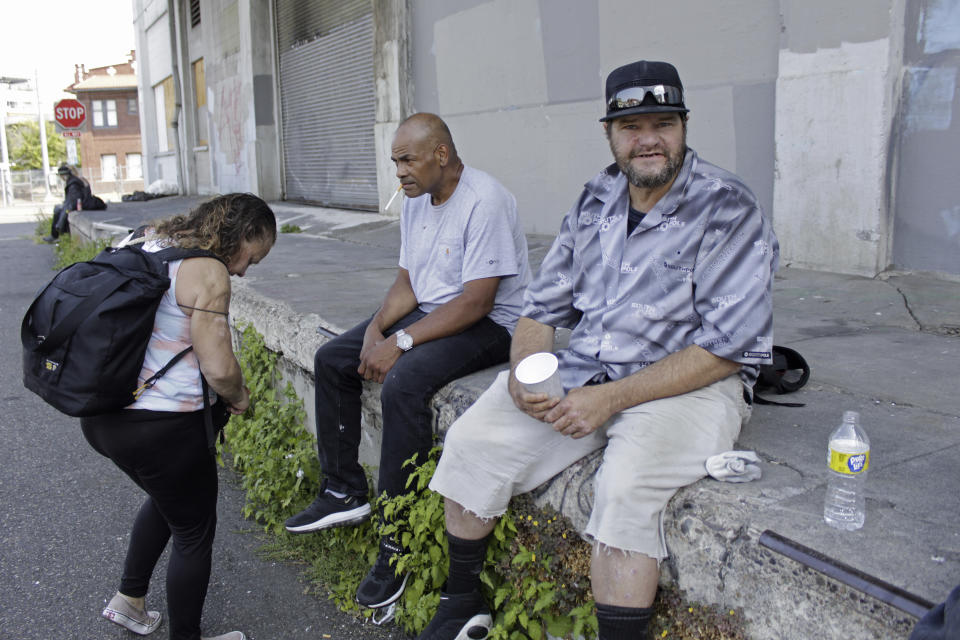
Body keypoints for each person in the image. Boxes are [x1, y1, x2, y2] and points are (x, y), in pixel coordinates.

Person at [418, 60, 780, 640]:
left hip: (692, 383)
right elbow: (540, 310)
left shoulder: (728, 206)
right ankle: (463, 601)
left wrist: (611, 400)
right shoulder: (597, 198)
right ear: (609, 134)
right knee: (473, 439)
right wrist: (522, 372)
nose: (648, 139)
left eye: (664, 123)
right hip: (591, 368)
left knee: (625, 489)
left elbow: (728, 349)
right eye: (631, 126)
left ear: (685, 127)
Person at [284, 112, 532, 612]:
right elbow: (408, 283)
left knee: (404, 385)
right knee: (335, 358)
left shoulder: (484, 201)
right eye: (395, 161)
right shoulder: (417, 201)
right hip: (432, 309)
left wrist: (399, 345)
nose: (398, 171)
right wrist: (376, 329)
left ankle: (394, 540)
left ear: (441, 154)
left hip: (490, 325)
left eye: (406, 160)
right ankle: (343, 491)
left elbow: (477, 302)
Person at [81, 193, 276, 640]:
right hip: (162, 428)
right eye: (253, 256)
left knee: (169, 501)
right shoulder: (207, 271)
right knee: (193, 532)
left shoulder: (143, 240)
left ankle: (129, 600)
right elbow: (220, 367)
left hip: (104, 417)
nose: (245, 270)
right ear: (242, 235)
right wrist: (240, 396)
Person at [44, 163, 106, 243]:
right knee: (60, 209)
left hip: (82, 204)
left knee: (59, 209)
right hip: (84, 202)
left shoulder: (73, 183)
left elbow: (73, 200)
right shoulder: (76, 180)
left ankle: (55, 235)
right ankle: (55, 235)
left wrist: (60, 224)